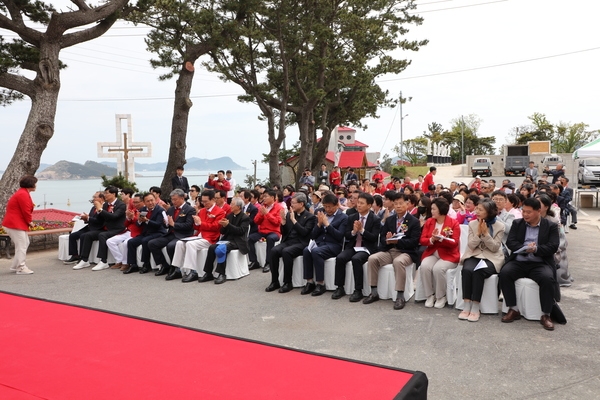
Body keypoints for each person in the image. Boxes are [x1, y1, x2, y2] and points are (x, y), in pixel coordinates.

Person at [499, 197, 560, 331]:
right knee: (505, 273)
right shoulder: (517, 223)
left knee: (547, 278)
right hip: (519, 261)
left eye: (529, 212)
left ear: (539, 211)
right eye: (523, 211)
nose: (525, 215)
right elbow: (511, 242)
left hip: (539, 263)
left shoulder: (550, 226)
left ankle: (546, 314)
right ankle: (513, 309)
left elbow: (553, 246)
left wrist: (537, 249)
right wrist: (524, 247)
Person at [363, 193, 421, 309]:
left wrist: (397, 242)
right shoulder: (390, 220)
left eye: (401, 203)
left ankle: (400, 295)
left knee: (398, 262)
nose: (398, 206)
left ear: (407, 204)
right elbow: (383, 237)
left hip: (405, 252)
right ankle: (374, 292)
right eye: (396, 204)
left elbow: (414, 242)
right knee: (372, 258)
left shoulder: (414, 221)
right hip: (390, 250)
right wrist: (388, 241)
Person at [459, 199, 505, 322]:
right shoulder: (473, 224)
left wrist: (486, 234)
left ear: (489, 212)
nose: (477, 212)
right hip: (474, 254)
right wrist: (479, 233)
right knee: (467, 270)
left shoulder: (499, 226)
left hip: (491, 257)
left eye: (480, 210)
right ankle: (466, 303)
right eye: (477, 209)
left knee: (479, 271)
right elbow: (471, 245)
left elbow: (495, 247)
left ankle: (475, 306)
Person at [332, 193, 381, 302]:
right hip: (353, 246)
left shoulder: (375, 219)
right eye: (358, 203)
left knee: (356, 259)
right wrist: (354, 231)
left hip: (366, 248)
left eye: (362, 203)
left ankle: (358, 290)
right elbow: (346, 235)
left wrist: (362, 230)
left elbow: (373, 238)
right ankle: (340, 287)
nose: (358, 205)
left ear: (369, 205)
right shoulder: (352, 217)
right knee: (340, 258)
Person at [168, 190, 226, 282]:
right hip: (199, 235)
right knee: (179, 243)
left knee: (190, 244)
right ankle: (177, 269)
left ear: (213, 200)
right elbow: (196, 227)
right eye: (202, 201)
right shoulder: (202, 211)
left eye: (206, 201)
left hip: (210, 238)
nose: (204, 203)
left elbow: (216, 227)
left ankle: (193, 271)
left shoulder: (220, 212)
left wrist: (200, 223)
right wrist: (196, 222)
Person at [265, 193, 316, 293]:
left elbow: (304, 232)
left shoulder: (310, 217)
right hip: (289, 241)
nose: (291, 205)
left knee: (286, 252)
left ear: (301, 204)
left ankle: (288, 282)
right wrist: (283, 222)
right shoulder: (289, 214)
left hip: (301, 242)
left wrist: (293, 220)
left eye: (293, 203)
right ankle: (274, 281)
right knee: (274, 251)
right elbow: (285, 233)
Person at [301, 193, 348, 296]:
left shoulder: (343, 217)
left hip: (334, 245)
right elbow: (313, 235)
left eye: (330, 207)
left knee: (316, 251)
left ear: (336, 206)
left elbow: (339, 236)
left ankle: (320, 283)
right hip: (320, 243)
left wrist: (327, 224)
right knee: (306, 250)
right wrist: (319, 224)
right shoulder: (319, 213)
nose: (327, 209)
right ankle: (309, 282)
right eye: (325, 206)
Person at [419, 197, 461, 308]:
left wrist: (442, 238)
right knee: (424, 266)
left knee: (438, 269)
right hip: (432, 252)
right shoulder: (429, 221)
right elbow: (422, 240)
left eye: (433, 209)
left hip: (448, 254)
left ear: (441, 210)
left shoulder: (453, 223)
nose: (431, 211)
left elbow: (455, 243)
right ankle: (429, 295)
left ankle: (441, 296)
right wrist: (432, 240)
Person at [73, 187, 127, 270]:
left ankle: (103, 261)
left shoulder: (121, 205)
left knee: (102, 235)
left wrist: (100, 210)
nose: (105, 195)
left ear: (113, 194)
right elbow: (99, 219)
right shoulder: (105, 205)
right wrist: (89, 217)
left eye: (106, 193)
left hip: (117, 229)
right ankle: (84, 260)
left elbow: (114, 217)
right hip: (105, 228)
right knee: (87, 235)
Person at [199, 197, 250, 284]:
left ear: (238, 206)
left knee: (221, 248)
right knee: (212, 248)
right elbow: (223, 232)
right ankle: (208, 273)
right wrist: (223, 226)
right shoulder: (229, 215)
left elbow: (240, 231)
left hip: (238, 241)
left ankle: (221, 274)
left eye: (232, 204)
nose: (230, 206)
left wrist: (228, 225)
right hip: (227, 239)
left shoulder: (245, 217)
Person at [147, 189, 196, 276]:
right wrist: (166, 223)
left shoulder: (189, 209)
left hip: (183, 234)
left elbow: (188, 225)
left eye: (175, 199)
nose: (173, 201)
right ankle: (164, 265)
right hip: (171, 233)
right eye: (172, 199)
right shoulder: (171, 209)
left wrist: (174, 224)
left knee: (171, 246)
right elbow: (167, 226)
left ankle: (175, 268)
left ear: (182, 198)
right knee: (152, 243)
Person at [123, 192, 168, 274]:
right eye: (148, 201)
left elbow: (158, 224)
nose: (150, 203)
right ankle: (133, 265)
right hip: (146, 233)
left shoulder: (160, 210)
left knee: (145, 241)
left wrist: (147, 220)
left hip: (158, 232)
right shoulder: (143, 210)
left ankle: (146, 264)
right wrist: (139, 221)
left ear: (155, 200)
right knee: (131, 242)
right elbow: (138, 224)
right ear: (144, 202)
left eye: (152, 200)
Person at [2, 175, 37, 275]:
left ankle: (15, 265)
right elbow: (26, 211)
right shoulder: (23, 194)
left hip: (15, 223)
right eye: (34, 183)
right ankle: (21, 267)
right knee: (22, 245)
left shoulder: (23, 193)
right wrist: (30, 222)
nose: (36, 185)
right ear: (30, 184)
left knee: (24, 243)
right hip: (14, 224)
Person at [537, 194, 572, 287]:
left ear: (546, 207)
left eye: (538, 204)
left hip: (547, 250)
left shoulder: (552, 222)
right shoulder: (531, 218)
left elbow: (555, 242)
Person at [64, 191, 105, 265]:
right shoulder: (93, 207)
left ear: (101, 198)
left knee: (84, 236)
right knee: (73, 235)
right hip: (90, 226)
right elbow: (91, 218)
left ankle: (83, 258)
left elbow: (100, 221)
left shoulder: (103, 208)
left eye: (95, 197)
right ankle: (75, 255)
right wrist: (86, 219)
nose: (93, 199)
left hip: (98, 228)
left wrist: (88, 218)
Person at [106, 193, 145, 271]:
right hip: (128, 231)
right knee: (110, 241)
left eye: (137, 202)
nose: (135, 204)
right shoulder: (133, 210)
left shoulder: (143, 211)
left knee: (125, 243)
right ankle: (119, 260)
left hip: (137, 232)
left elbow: (140, 224)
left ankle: (125, 263)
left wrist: (132, 218)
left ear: (143, 202)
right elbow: (126, 224)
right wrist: (129, 218)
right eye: (134, 202)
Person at [247, 190, 283, 273]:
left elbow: (277, 222)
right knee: (250, 238)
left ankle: (269, 262)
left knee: (271, 238)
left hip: (274, 232)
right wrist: (261, 215)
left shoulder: (279, 208)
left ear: (273, 198)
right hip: (262, 231)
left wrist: (267, 214)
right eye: (263, 196)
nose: (264, 198)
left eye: (266, 196)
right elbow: (256, 221)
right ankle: (254, 261)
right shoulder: (263, 207)